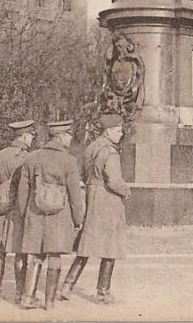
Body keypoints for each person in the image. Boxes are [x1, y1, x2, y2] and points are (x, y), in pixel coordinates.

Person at [58, 113, 131, 304]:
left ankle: (67, 286)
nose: (120, 134)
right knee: (110, 246)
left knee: (86, 245)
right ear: (108, 131)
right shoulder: (110, 152)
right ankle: (102, 292)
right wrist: (126, 191)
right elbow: (114, 181)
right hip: (109, 201)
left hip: (92, 197)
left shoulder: (90, 148)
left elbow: (82, 173)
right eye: (117, 130)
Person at [15, 119, 85, 310]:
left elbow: (23, 192)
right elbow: (74, 195)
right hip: (60, 216)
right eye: (69, 136)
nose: (71, 139)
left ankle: (28, 297)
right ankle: (49, 302)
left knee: (36, 255)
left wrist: (24, 215)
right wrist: (78, 220)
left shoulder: (32, 158)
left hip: (35, 214)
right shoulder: (69, 161)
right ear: (61, 137)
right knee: (54, 255)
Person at [0, 119, 35, 302]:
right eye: (31, 135)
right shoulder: (27, 158)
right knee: (20, 251)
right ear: (24, 136)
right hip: (18, 212)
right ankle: (19, 293)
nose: (32, 139)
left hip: (0, 211)